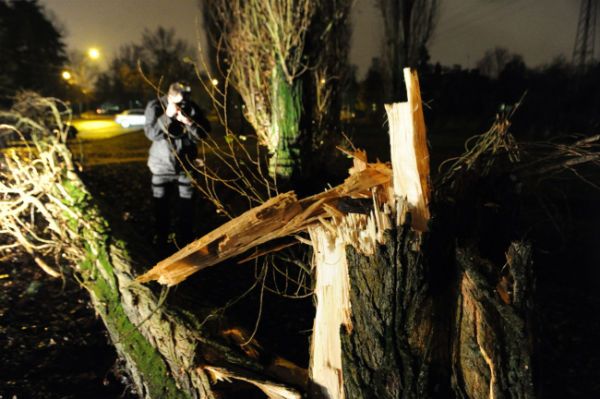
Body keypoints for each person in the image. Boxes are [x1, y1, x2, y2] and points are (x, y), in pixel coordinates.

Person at [144, 82, 211, 251]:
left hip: (186, 166)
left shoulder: (190, 107)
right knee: (161, 206)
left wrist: (189, 122)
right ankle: (161, 240)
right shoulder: (155, 106)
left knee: (187, 207)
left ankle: (186, 242)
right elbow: (151, 134)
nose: (182, 105)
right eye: (178, 101)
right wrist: (167, 116)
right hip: (161, 167)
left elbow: (203, 133)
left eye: (185, 100)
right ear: (169, 96)